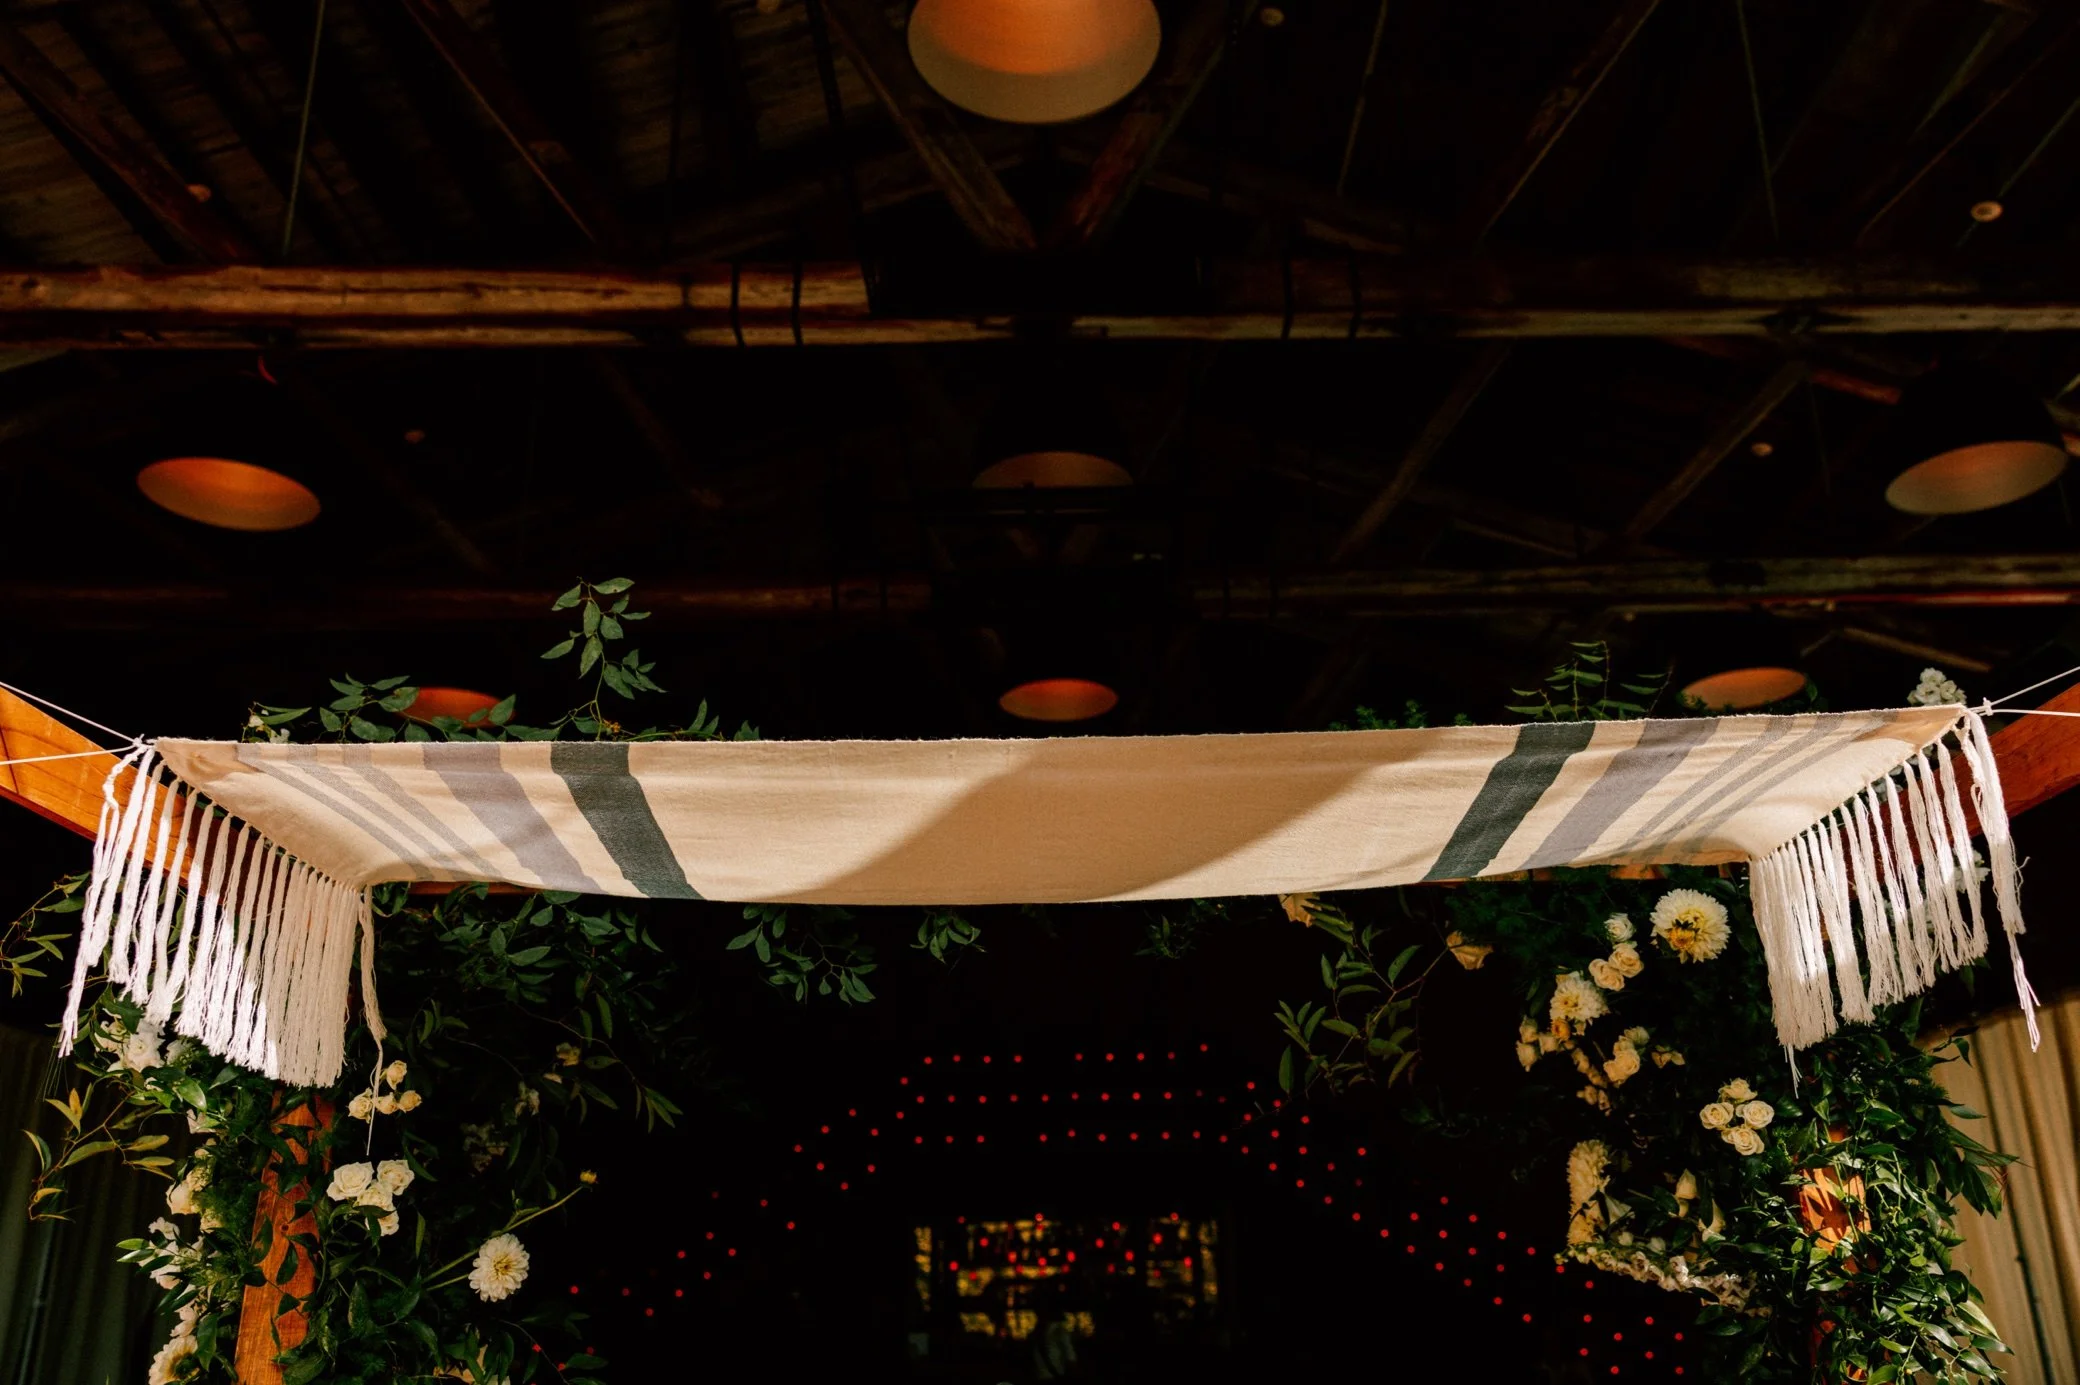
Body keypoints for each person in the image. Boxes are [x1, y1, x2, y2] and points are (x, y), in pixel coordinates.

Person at [1031, 1303, 1079, 1380]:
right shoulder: (1059, 1330)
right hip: (1056, 1374)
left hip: (1041, 1374)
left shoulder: (1037, 1331)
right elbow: (1070, 1355)